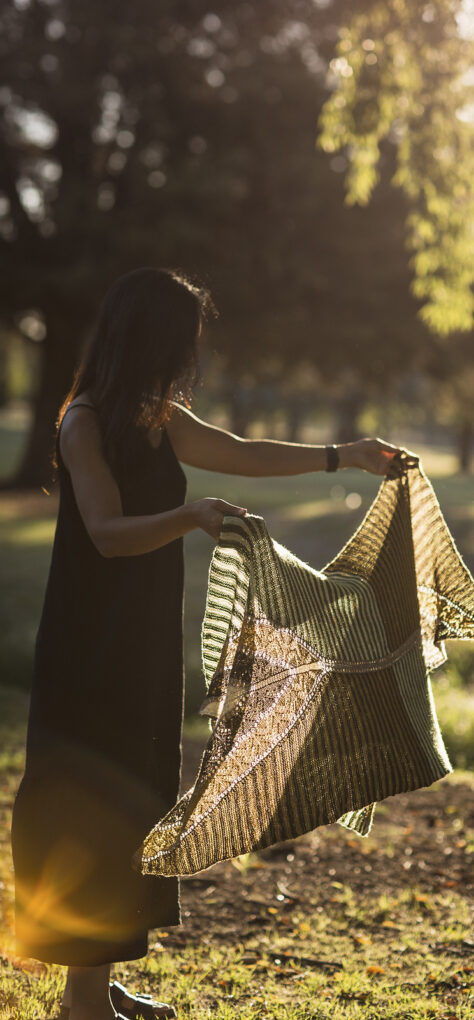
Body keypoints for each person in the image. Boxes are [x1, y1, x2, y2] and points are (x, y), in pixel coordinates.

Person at [10, 266, 401, 1020]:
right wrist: (191, 518)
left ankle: (91, 984)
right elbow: (107, 534)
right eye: (183, 339)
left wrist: (342, 455)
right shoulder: (84, 419)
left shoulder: (155, 416)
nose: (191, 356)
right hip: (90, 650)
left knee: (135, 799)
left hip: (143, 640)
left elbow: (244, 452)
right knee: (91, 800)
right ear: (148, 337)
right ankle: (80, 1003)